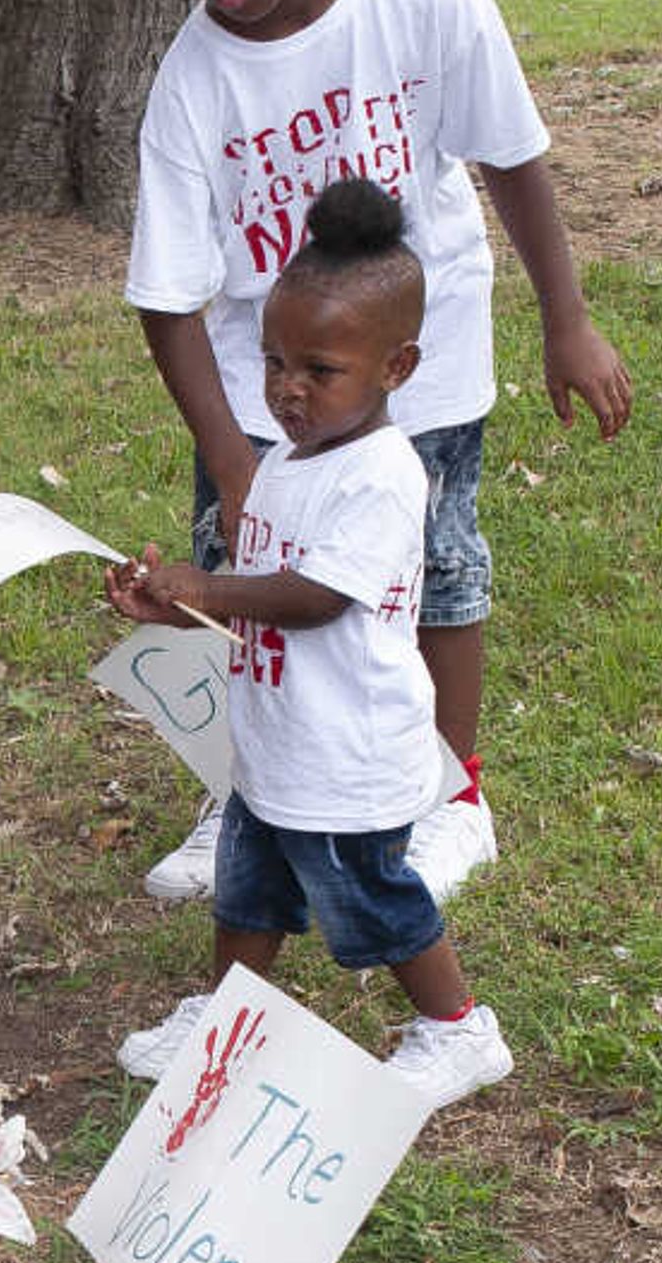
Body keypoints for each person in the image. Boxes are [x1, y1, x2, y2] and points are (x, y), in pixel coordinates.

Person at [121, 0, 633, 906]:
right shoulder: (192, 81)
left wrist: (569, 320)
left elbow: (511, 156)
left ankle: (450, 796)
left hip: (424, 368)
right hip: (273, 405)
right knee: (238, 586)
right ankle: (245, 794)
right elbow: (168, 298)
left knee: (436, 574)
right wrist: (232, 462)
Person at [103, 179, 513, 1111]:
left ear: (396, 368)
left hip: (349, 756)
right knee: (247, 898)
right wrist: (176, 609)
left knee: (375, 903)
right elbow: (260, 596)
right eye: (273, 361)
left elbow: (319, 597)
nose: (287, 387)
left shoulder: (382, 475)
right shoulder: (283, 464)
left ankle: (458, 1032)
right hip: (277, 746)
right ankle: (224, 1019)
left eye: (320, 370)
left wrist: (206, 583)